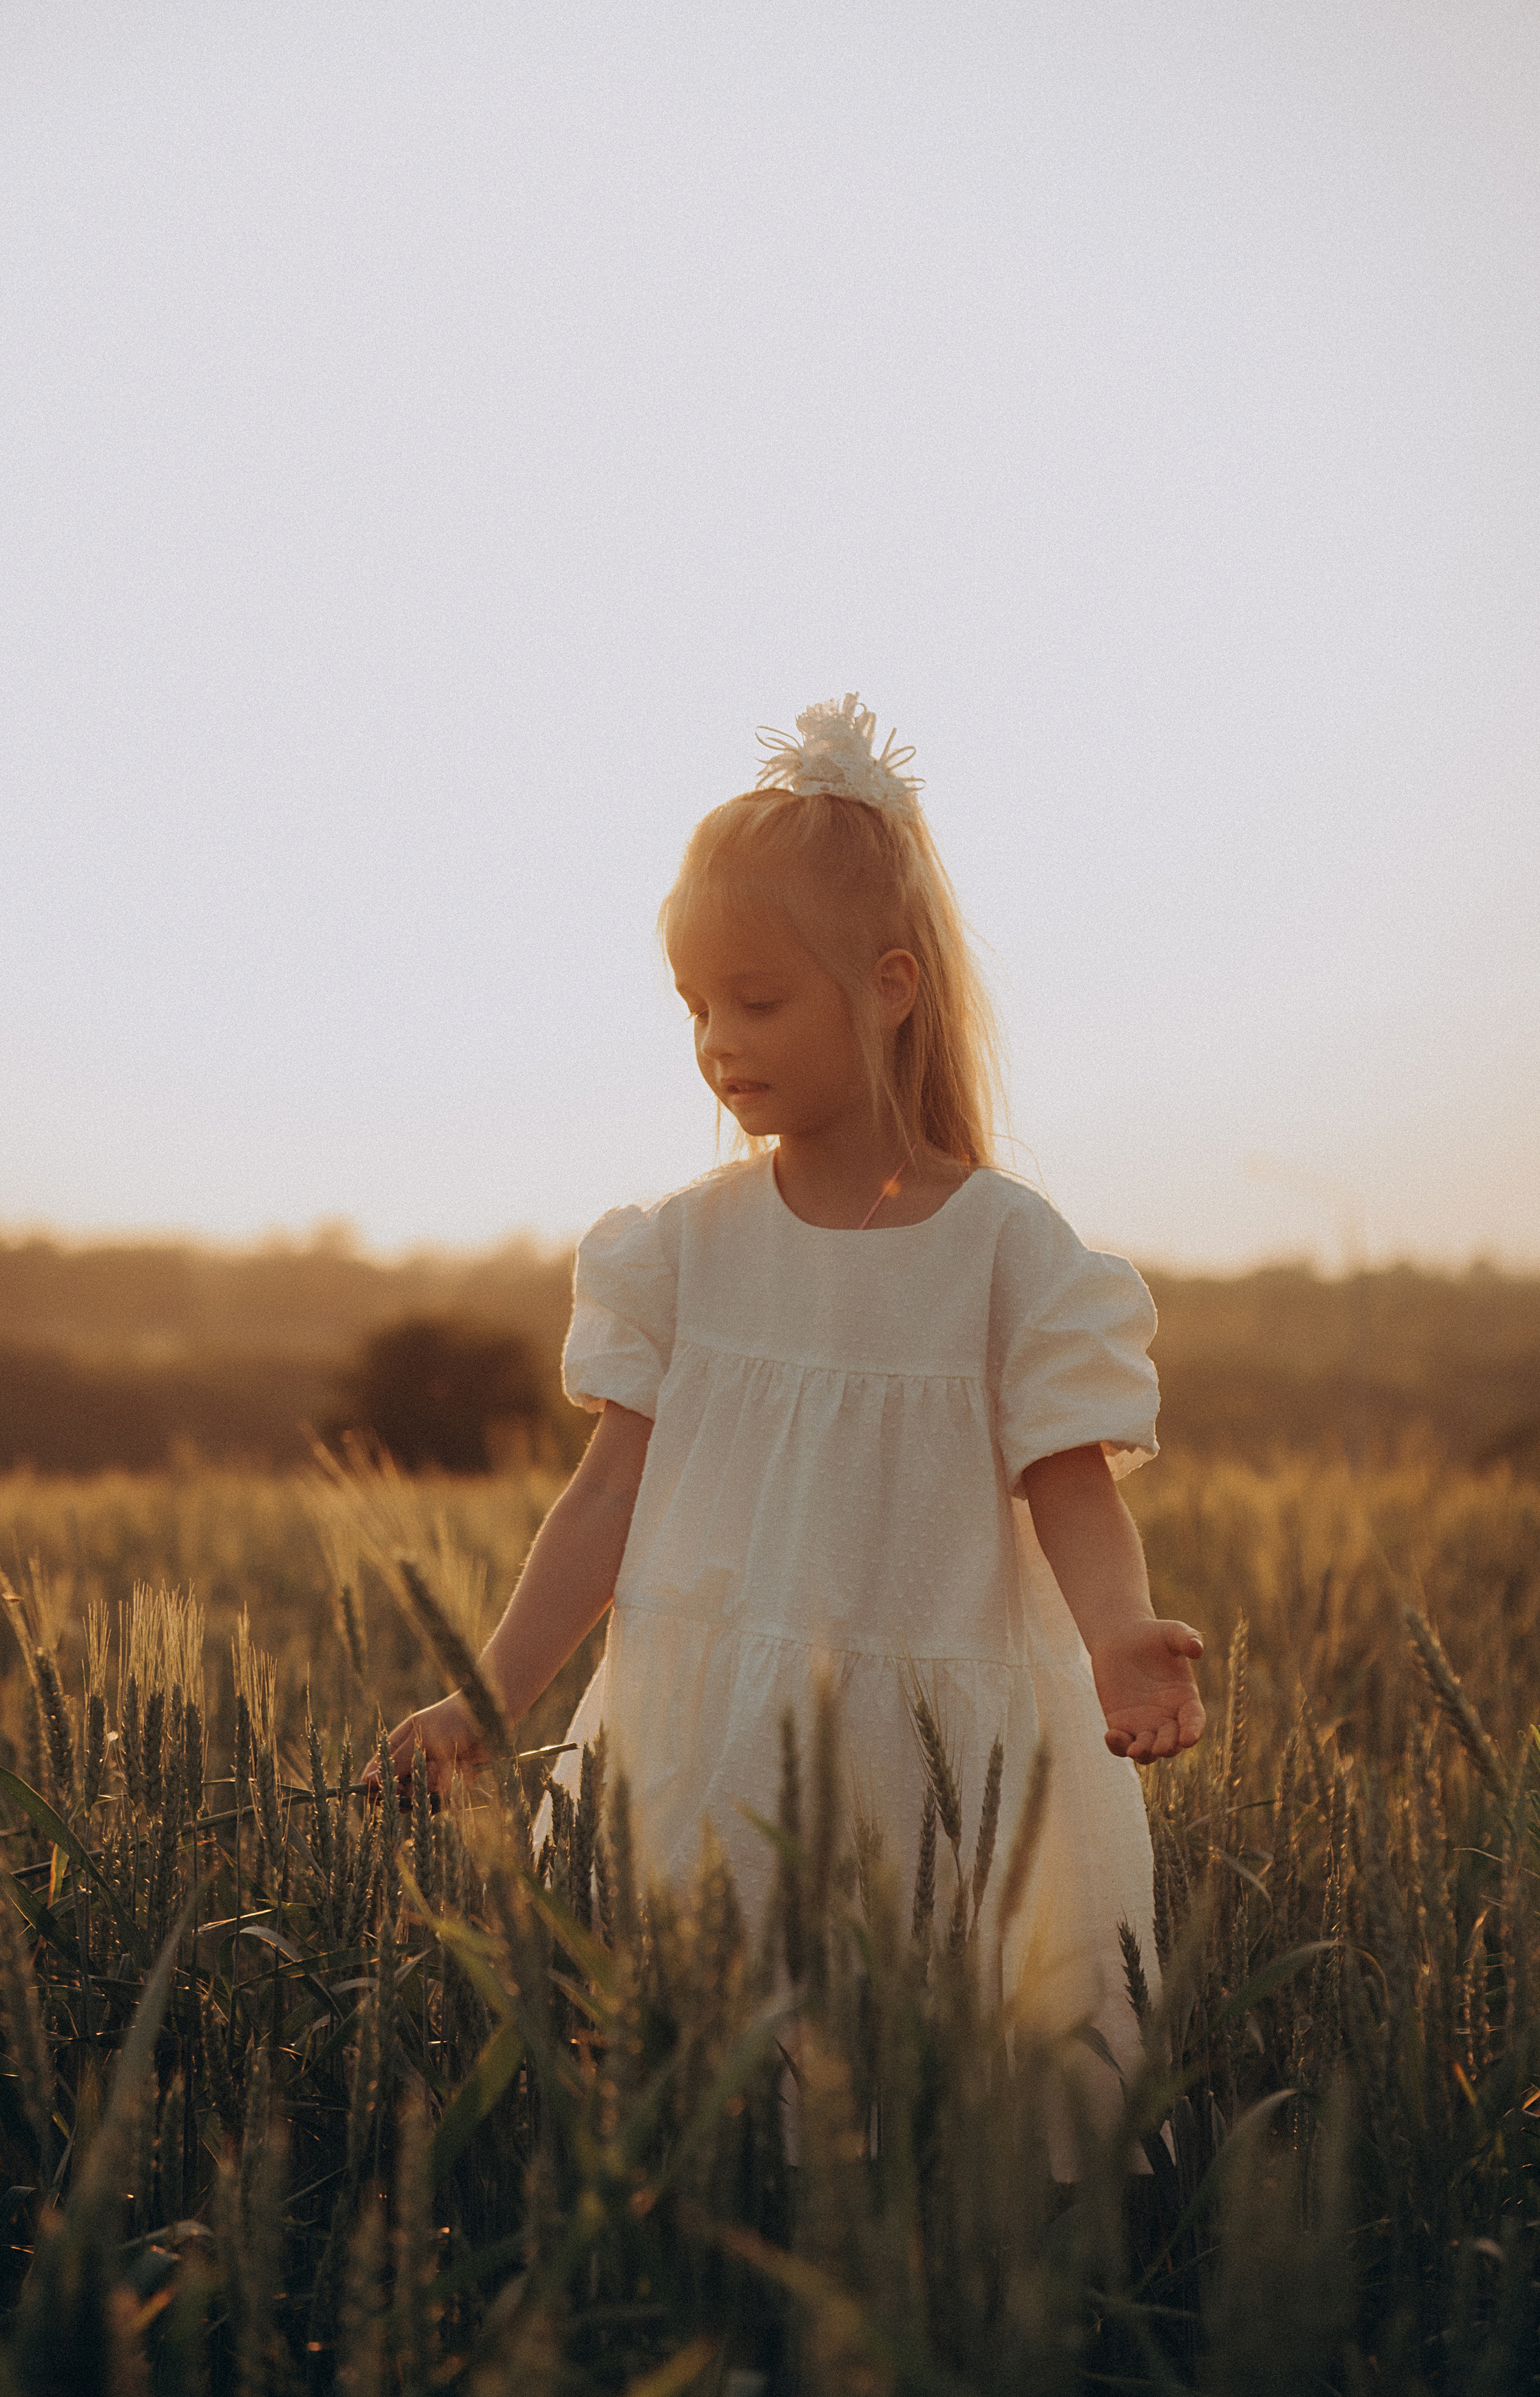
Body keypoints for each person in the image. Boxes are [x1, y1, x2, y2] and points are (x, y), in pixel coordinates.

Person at [386, 695, 1203, 2080]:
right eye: (697, 1004)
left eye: (757, 998)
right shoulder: (682, 1251)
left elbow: (1068, 1483)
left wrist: (1118, 1633)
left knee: (915, 2079)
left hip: (928, 1753)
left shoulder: (1010, 1253)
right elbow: (603, 1500)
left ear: (890, 983)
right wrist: (490, 1694)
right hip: (709, 1740)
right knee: (705, 2075)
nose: (717, 1036)